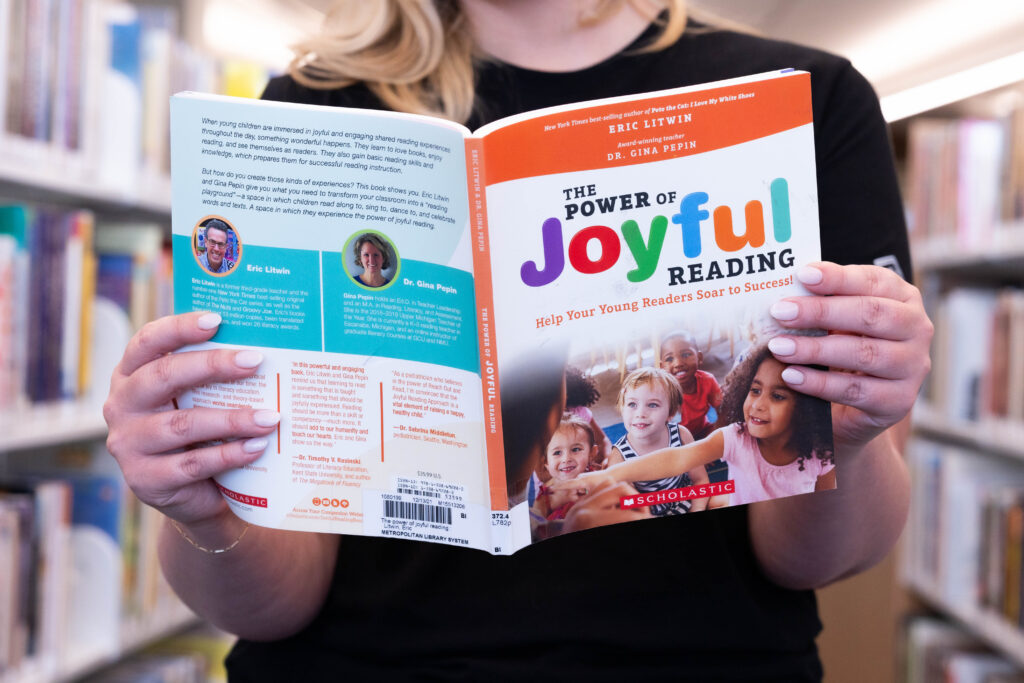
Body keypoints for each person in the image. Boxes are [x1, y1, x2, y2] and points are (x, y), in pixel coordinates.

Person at [102, 1, 932, 679]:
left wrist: (848, 442)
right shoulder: (309, 111)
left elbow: (818, 558)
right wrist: (202, 504)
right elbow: (270, 602)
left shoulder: (805, 101)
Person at [562, 344, 835, 509]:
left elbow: (826, 506)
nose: (758, 405)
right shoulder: (736, 438)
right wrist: (599, 477)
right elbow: (677, 458)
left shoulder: (821, 454)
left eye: (777, 396)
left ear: (807, 407)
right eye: (754, 390)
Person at [604, 367, 710, 514]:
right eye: (632, 404)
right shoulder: (619, 456)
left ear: (670, 413)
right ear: (622, 407)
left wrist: (697, 509)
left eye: (652, 405)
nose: (640, 414)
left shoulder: (681, 435)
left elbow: (700, 480)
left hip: (687, 501)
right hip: (649, 514)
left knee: (726, 499)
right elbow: (628, 507)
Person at [531, 413, 602, 522]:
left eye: (576, 449)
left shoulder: (600, 478)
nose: (566, 459)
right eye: (557, 452)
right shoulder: (546, 497)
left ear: (591, 453)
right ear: (546, 462)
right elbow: (536, 526)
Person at [659, 330, 723, 440]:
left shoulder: (708, 380)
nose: (678, 363)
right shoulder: (662, 391)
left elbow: (721, 408)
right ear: (662, 367)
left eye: (686, 355)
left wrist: (720, 428)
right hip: (674, 438)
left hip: (702, 431)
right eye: (669, 359)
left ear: (700, 357)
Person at [563, 365, 612, 468]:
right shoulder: (540, 426)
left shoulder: (580, 412)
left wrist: (607, 459)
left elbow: (603, 441)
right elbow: (542, 474)